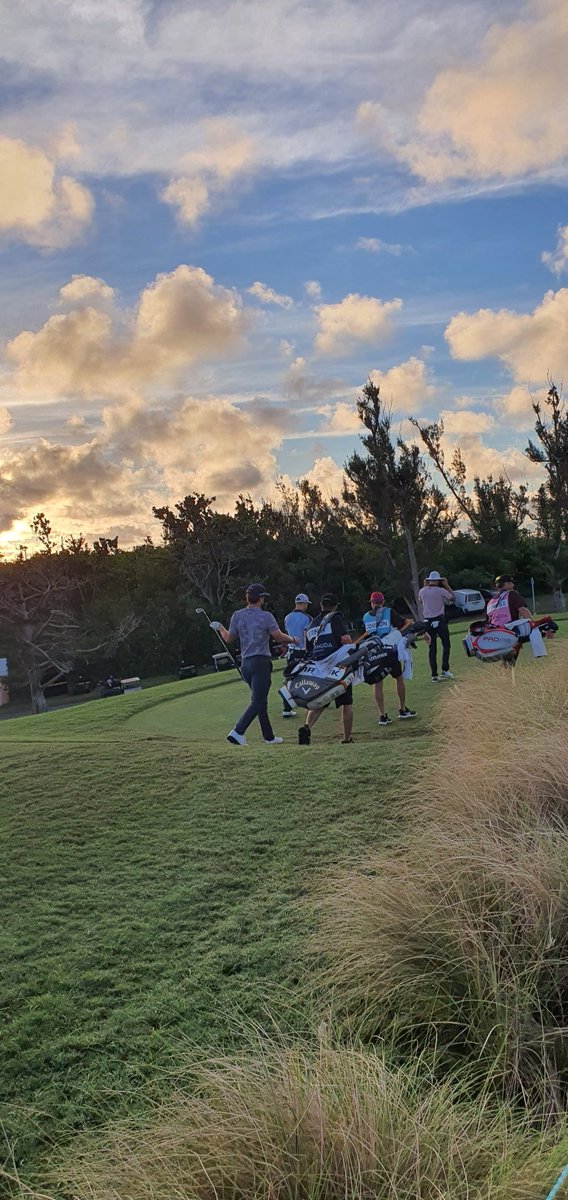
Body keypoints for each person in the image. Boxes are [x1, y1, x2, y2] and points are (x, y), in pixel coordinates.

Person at [212, 583, 297, 746]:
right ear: (261, 599)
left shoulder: (237, 615)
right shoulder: (266, 616)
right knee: (258, 702)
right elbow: (278, 637)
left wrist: (219, 627)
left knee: (260, 700)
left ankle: (269, 737)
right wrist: (293, 639)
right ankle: (237, 731)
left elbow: (229, 638)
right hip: (261, 663)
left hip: (246, 665)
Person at [298, 593, 355, 745]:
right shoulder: (335, 618)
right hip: (337, 667)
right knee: (346, 702)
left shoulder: (312, 624)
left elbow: (308, 650)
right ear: (335, 606)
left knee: (321, 700)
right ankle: (346, 739)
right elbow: (345, 639)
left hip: (319, 669)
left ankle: (306, 727)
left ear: (321, 606)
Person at [360, 590, 417, 725]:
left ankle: (382, 715)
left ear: (372, 603)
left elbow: (366, 634)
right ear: (383, 601)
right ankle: (402, 709)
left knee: (377, 683)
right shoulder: (388, 612)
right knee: (398, 678)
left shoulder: (366, 616)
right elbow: (403, 624)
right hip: (390, 650)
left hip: (374, 652)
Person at [418, 571, 455, 682]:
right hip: (440, 620)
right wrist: (447, 585)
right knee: (446, 645)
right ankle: (445, 670)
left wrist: (424, 585)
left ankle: (434, 675)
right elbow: (453, 598)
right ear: (439, 581)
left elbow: (420, 599)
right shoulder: (441, 590)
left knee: (432, 649)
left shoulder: (422, 591)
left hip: (427, 622)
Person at [281, 593, 312, 717]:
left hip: (291, 651)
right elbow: (306, 636)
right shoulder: (308, 618)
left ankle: (286, 709)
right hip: (303, 651)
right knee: (309, 677)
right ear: (304, 604)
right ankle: (313, 702)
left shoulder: (287, 617)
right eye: (306, 604)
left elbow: (287, 635)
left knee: (290, 679)